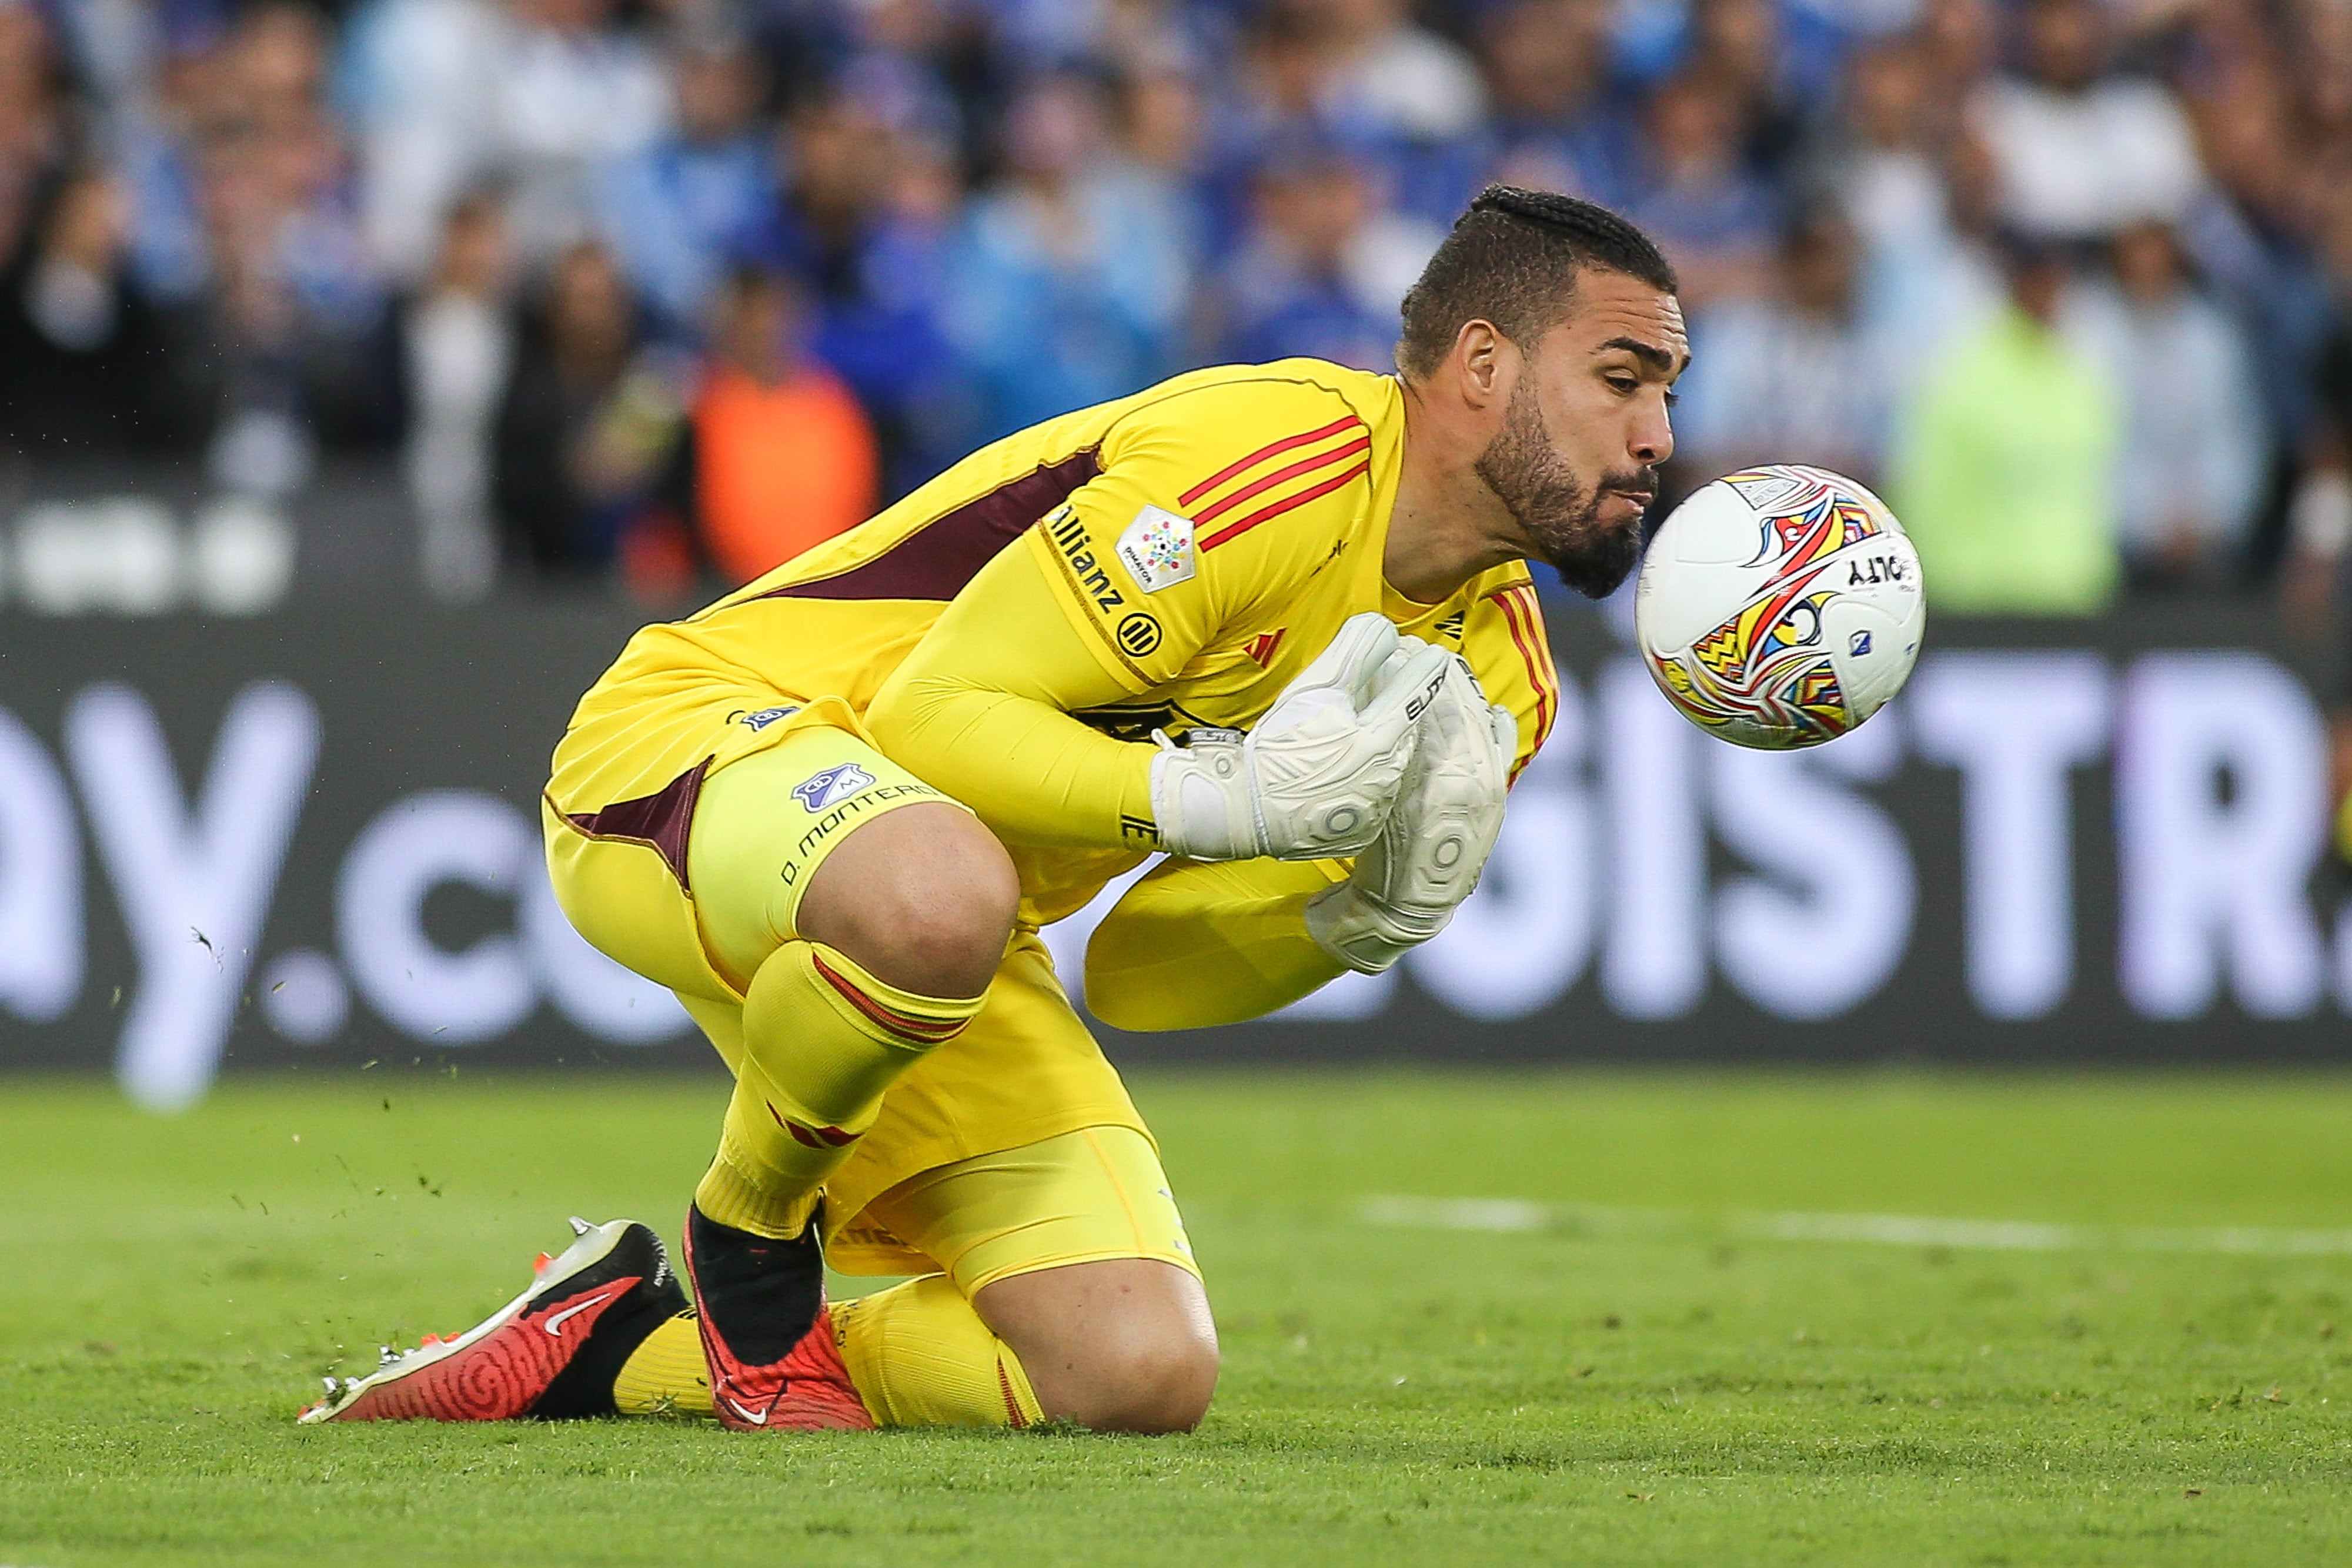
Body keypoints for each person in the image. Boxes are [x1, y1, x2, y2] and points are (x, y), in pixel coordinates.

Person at [297, 185, 1677, 1437]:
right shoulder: (1278, 460)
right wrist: (1216, 792)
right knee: (935, 885)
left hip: (942, 920)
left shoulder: (1497, 684)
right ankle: (748, 1221)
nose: (1656, 437)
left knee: (1134, 1374)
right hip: (699, 740)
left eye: (1666, 390)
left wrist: (1355, 914)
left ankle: (614, 1347)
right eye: (1621, 378)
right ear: (1481, 365)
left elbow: (1138, 972)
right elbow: (928, 721)